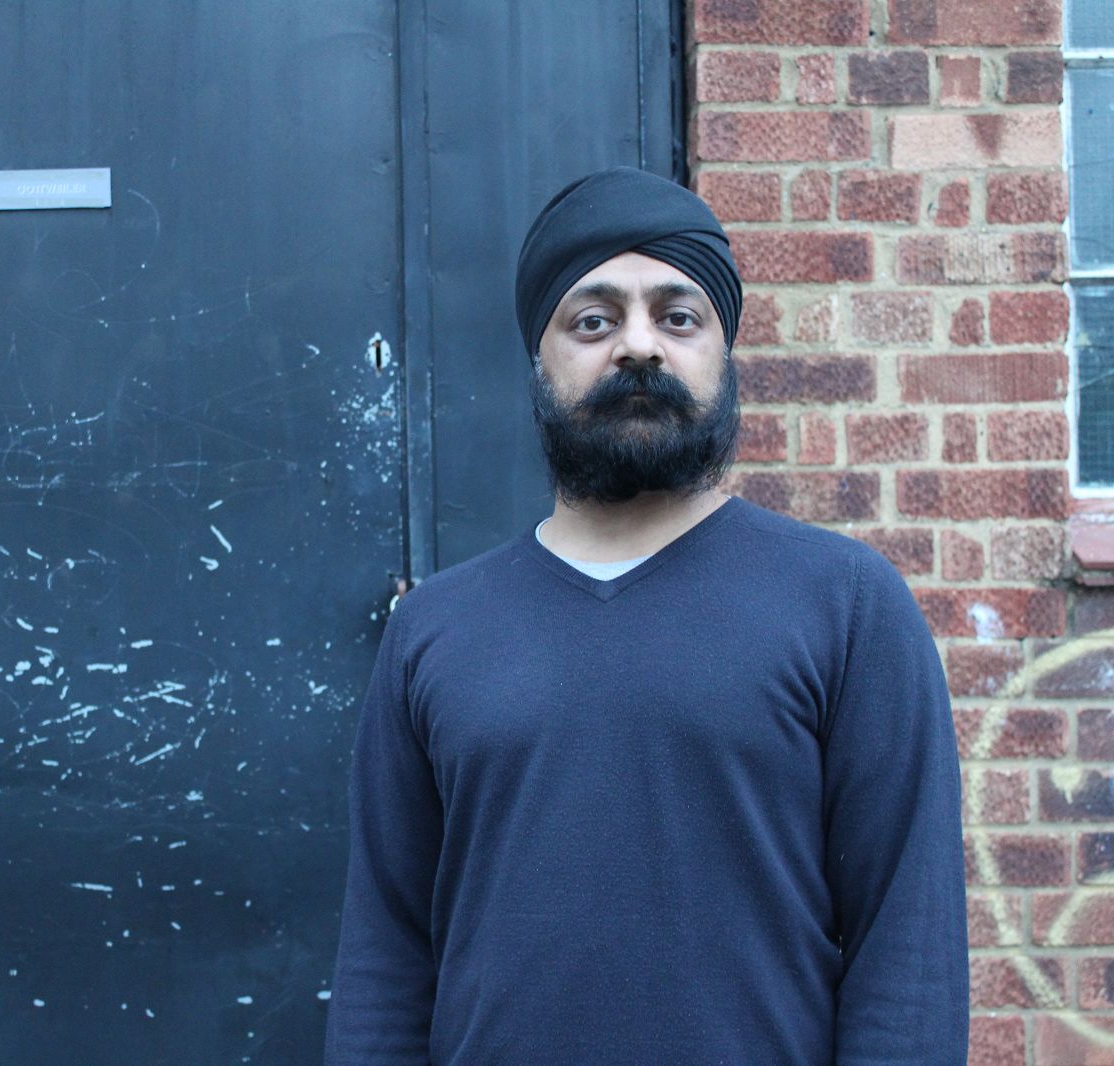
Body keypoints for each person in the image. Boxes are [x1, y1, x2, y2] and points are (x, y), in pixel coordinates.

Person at [323, 166, 968, 1065]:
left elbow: (909, 961)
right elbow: (385, 964)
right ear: (539, 358)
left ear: (724, 353)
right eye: (593, 320)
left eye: (678, 317)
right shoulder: (432, 632)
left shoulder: (848, 605)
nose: (638, 346)